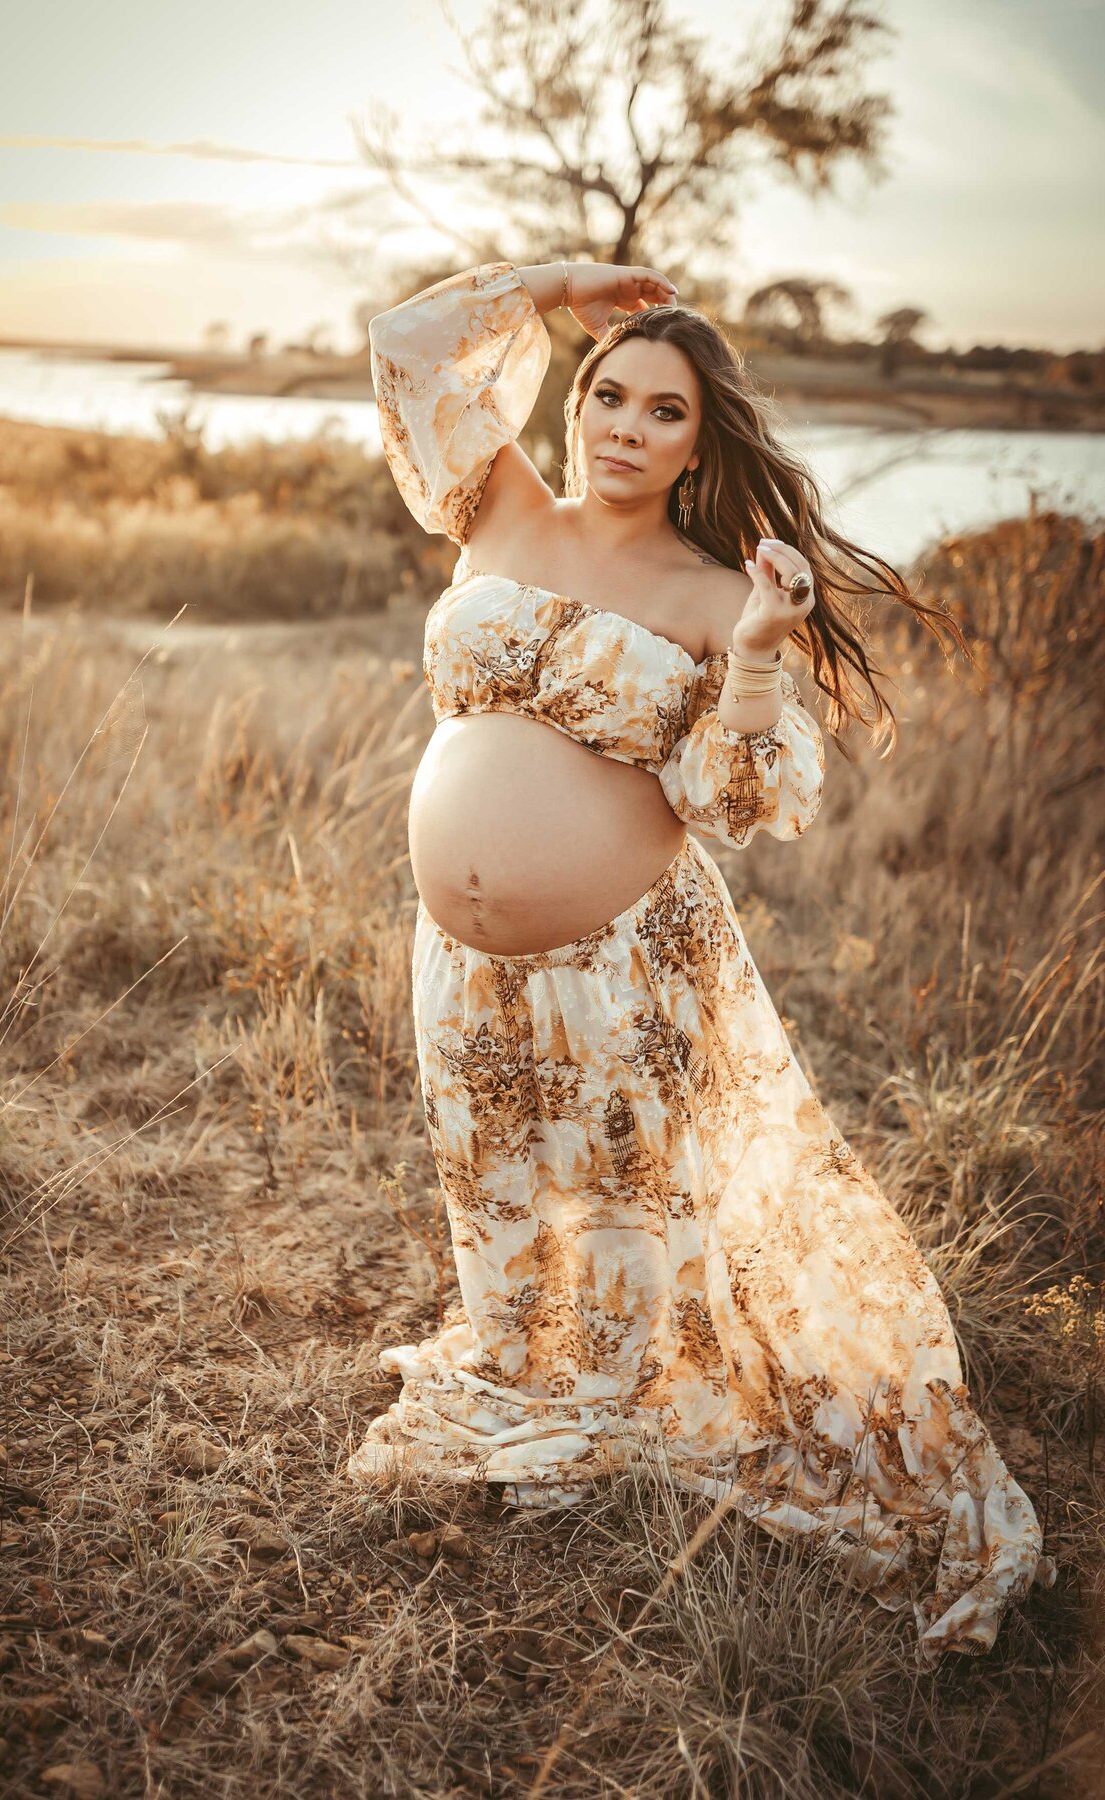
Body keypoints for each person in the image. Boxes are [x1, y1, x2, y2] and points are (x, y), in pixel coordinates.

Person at [346, 258, 1054, 1661]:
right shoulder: (497, 504)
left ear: (698, 442)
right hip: (469, 972)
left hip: (626, 971)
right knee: (504, 1213)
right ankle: (545, 1407)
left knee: (645, 1227)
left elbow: (749, 806)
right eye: (606, 393)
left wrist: (761, 653)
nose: (619, 425)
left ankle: (631, 1419)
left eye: (660, 412)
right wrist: (557, 282)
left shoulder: (717, 589)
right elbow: (407, 344)